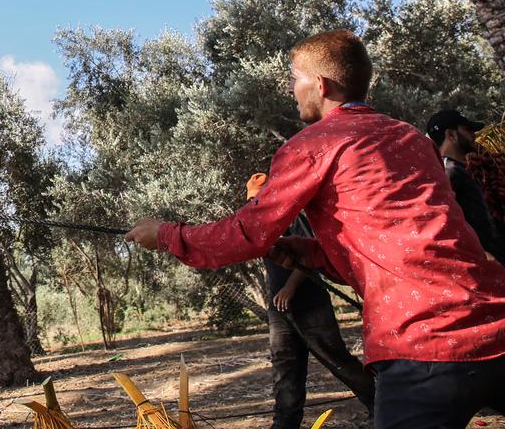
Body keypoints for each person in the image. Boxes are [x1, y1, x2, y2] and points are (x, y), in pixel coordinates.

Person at [123, 30, 505, 428]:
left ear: (320, 85)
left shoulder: (313, 145)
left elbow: (246, 233)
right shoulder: (411, 138)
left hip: (423, 346)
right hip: (496, 321)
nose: (292, 90)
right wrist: (315, 254)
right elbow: (417, 238)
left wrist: (165, 234)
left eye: (294, 78)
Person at [246, 174, 374, 428]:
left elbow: (312, 254)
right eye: (251, 200)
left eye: (259, 198)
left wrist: (290, 287)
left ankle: (381, 404)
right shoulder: (258, 226)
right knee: (284, 364)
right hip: (280, 310)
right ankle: (285, 422)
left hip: (310, 304)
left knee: (335, 359)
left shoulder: (293, 218)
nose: (255, 204)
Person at [428, 109, 505, 261]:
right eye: (468, 130)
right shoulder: (448, 171)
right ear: (451, 135)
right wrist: (483, 254)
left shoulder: (460, 169)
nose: (474, 135)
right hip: (486, 263)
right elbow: (442, 220)